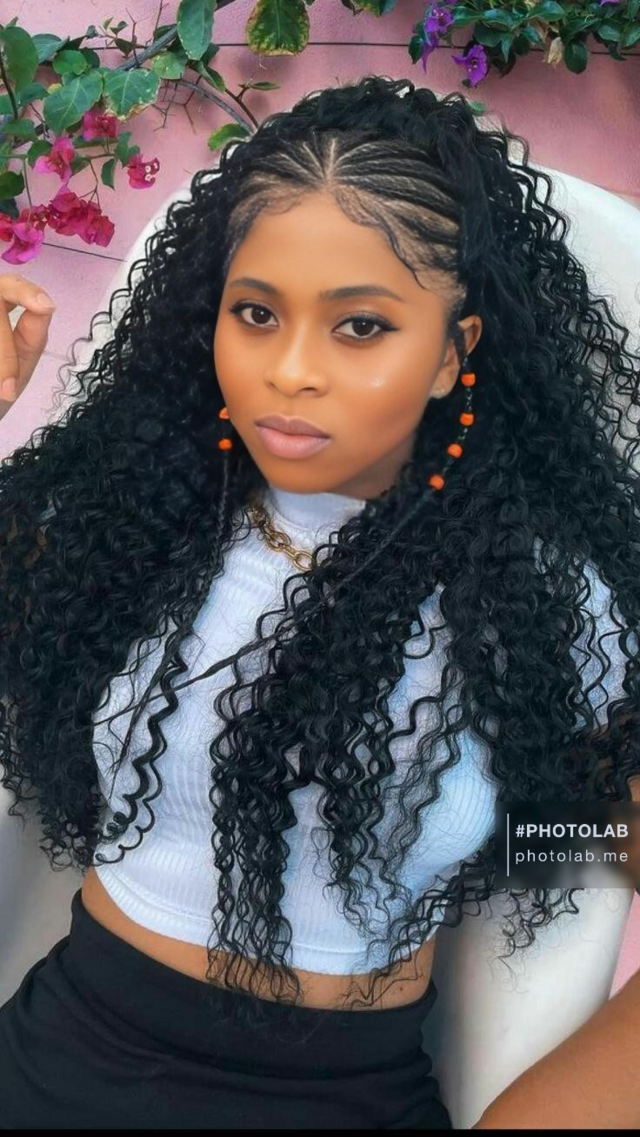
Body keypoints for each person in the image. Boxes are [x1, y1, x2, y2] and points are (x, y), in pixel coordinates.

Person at [0, 74, 638, 1129]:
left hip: (347, 1097)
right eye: (256, 314)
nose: (290, 371)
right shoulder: (115, 528)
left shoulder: (541, 604)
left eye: (361, 326)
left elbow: (575, 836)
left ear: (454, 353)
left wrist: (514, 839)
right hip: (57, 1070)